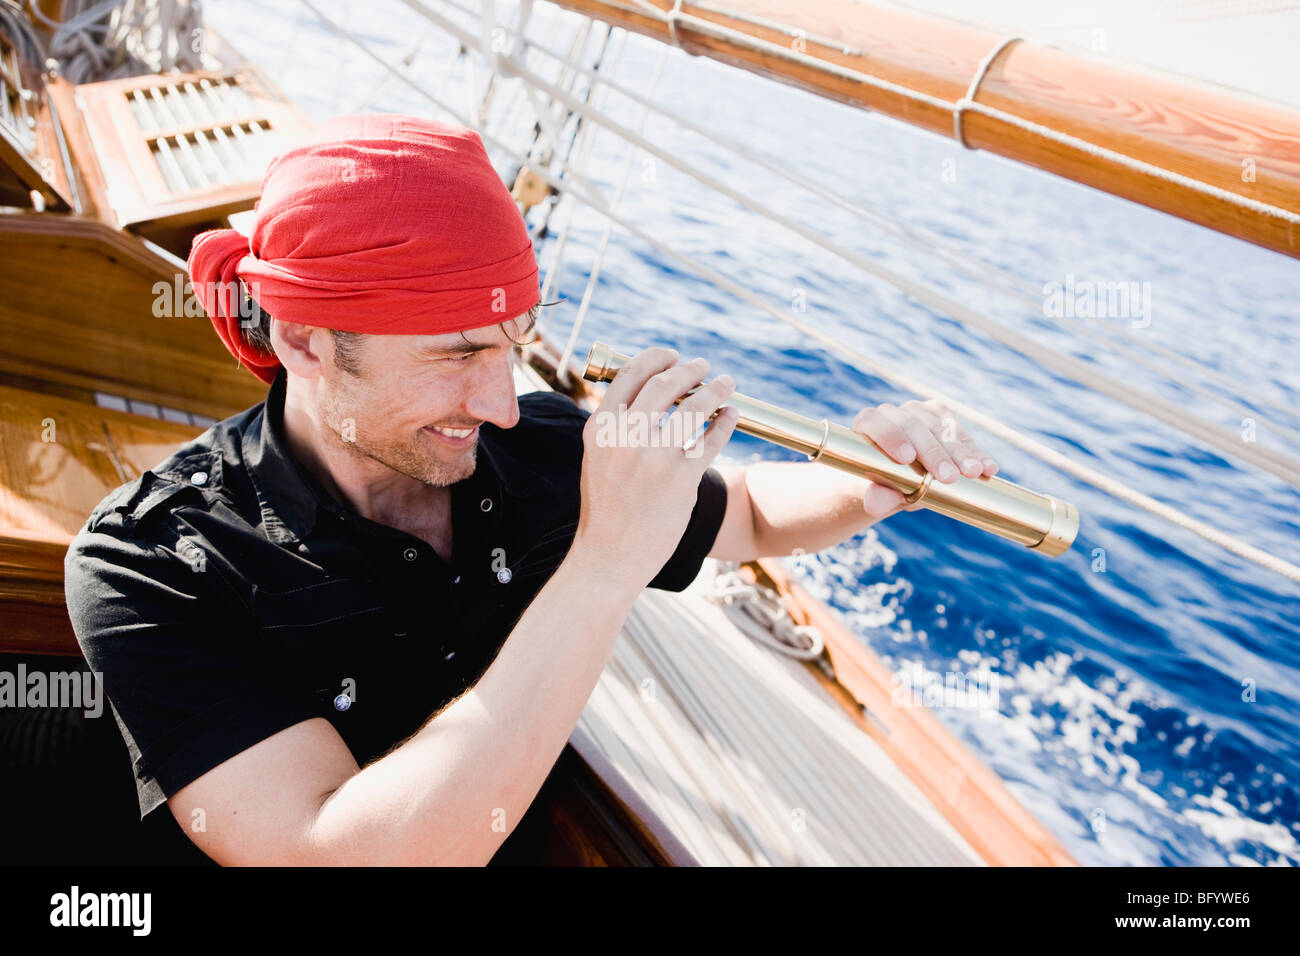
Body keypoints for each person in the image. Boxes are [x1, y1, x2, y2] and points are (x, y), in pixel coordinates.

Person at [63, 113, 997, 866]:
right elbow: (333, 855)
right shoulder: (149, 564)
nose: (504, 404)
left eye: (512, 343)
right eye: (461, 352)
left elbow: (744, 513)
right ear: (305, 341)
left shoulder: (531, 446)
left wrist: (864, 477)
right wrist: (603, 563)